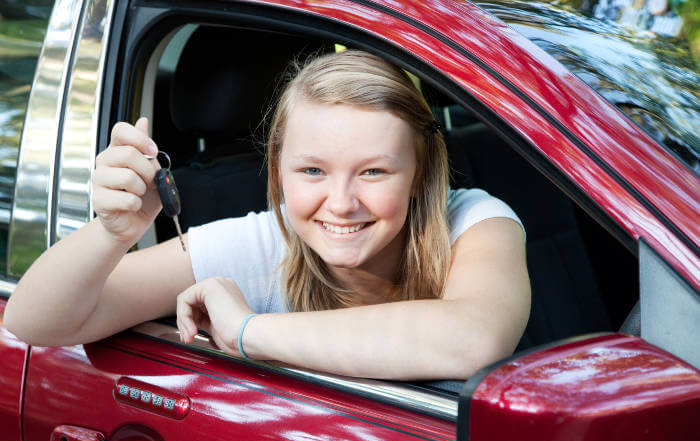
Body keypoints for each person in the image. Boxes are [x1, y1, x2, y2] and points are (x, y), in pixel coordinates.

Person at [4, 50, 530, 380]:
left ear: (419, 173)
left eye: (374, 173)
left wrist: (247, 331)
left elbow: (471, 340)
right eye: (312, 171)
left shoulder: (474, 222)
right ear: (278, 171)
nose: (342, 202)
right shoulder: (262, 244)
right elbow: (33, 322)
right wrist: (111, 235)